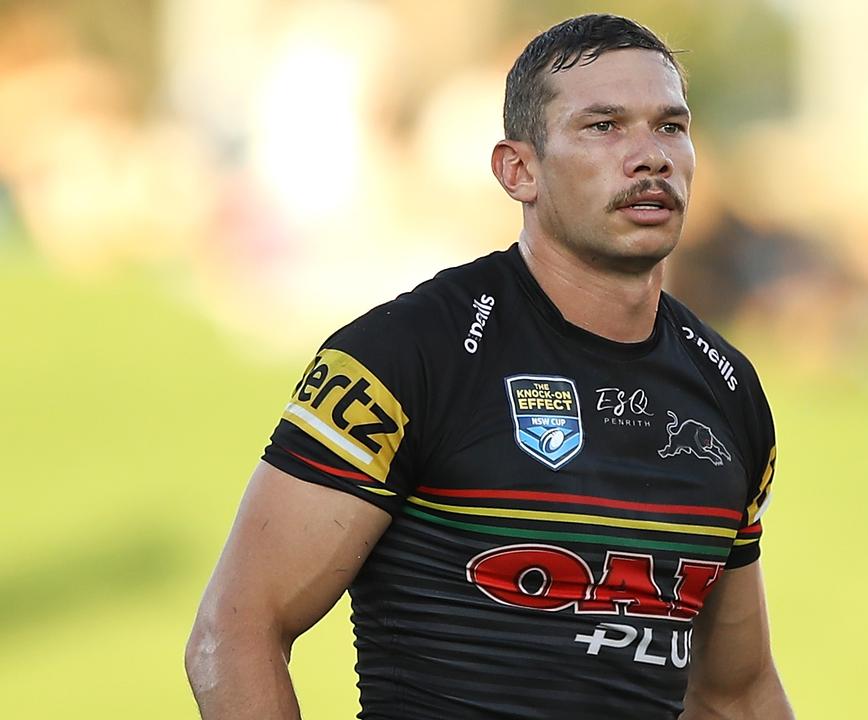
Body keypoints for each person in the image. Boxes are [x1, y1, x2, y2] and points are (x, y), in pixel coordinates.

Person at [185, 13, 793, 720]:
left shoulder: (727, 390)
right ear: (518, 169)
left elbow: (734, 694)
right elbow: (232, 633)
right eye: (603, 126)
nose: (649, 156)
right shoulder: (407, 356)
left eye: (670, 126)